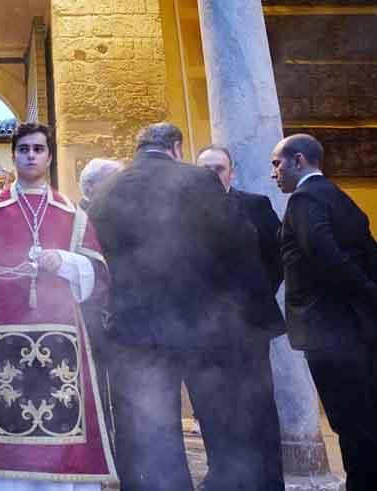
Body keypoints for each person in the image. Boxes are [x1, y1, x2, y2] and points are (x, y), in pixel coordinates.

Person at [88, 122, 267, 491]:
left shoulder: (105, 190)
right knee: (220, 418)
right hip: (201, 326)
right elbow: (239, 243)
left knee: (148, 425)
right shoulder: (200, 181)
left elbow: (97, 261)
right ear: (176, 147)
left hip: (132, 329)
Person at [0, 122, 116, 491]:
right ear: (14, 155)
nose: (31, 155)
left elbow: (97, 275)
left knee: (61, 429)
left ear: (49, 157)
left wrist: (64, 261)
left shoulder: (72, 213)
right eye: (24, 149)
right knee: (5, 432)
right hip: (0, 341)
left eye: (38, 149)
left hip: (60, 341)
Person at [271, 133, 377, 491]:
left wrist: (368, 293)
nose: (274, 173)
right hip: (356, 328)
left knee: (351, 423)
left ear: (299, 161)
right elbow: (369, 254)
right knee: (364, 419)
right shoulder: (340, 198)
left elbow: (325, 256)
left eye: (277, 164)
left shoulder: (304, 200)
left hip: (329, 331)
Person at [197, 145, 286, 491]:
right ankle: (221, 475)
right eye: (203, 170)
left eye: (217, 168)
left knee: (259, 404)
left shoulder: (255, 205)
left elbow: (276, 258)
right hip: (203, 331)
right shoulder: (187, 213)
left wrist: (254, 294)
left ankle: (268, 480)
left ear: (231, 171)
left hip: (249, 327)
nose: (211, 175)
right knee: (211, 406)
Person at [75, 158, 123, 441]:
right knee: (95, 392)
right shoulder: (74, 219)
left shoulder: (126, 215)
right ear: (91, 187)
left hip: (126, 319)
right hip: (91, 320)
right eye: (112, 181)